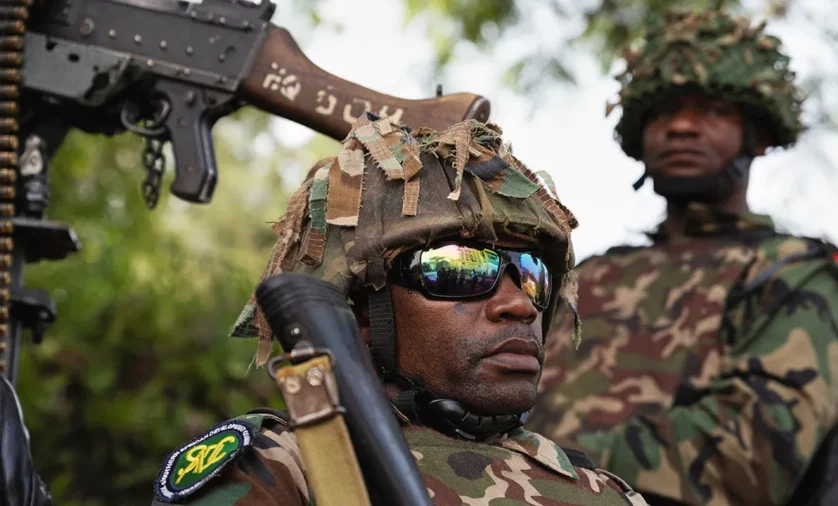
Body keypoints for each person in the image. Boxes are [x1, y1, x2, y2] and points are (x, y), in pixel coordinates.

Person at [151, 116, 647, 505]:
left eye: (533, 274)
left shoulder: (605, 493)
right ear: (364, 315)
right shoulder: (288, 467)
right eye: (460, 269)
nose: (518, 304)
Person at [526, 9, 838, 506]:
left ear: (759, 135)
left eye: (713, 111)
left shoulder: (793, 273)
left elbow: (748, 460)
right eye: (663, 112)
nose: (682, 126)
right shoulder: (589, 275)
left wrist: (536, 460)